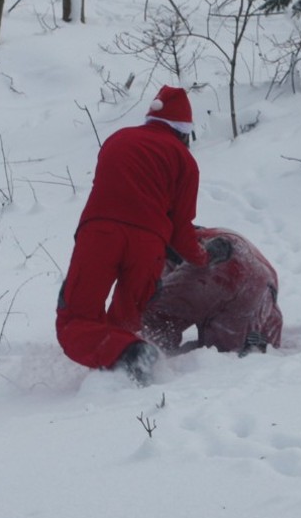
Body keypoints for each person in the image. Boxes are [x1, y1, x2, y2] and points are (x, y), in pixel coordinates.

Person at [56, 85, 217, 384]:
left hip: (100, 235)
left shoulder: (117, 140)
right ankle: (129, 363)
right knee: (125, 322)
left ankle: (128, 356)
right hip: (148, 246)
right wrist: (204, 257)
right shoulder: (185, 162)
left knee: (76, 319)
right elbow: (181, 230)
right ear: (184, 132)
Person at [143, 227, 283, 356]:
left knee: (155, 315)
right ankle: (248, 344)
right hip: (261, 281)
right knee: (224, 351)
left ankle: (149, 351)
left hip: (212, 258)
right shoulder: (269, 305)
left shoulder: (167, 245)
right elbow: (275, 323)